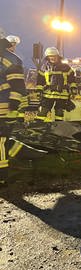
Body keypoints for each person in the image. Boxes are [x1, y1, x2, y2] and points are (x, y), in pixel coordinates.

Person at [0, 27, 27, 187]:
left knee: (1, 141)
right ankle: (22, 154)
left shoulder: (11, 59)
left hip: (4, 108)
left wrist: (15, 106)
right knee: (4, 141)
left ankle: (2, 175)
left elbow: (18, 87)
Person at [35, 47, 77, 122]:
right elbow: (40, 81)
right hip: (48, 94)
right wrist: (39, 90)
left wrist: (73, 88)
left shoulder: (66, 67)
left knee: (59, 113)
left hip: (62, 95)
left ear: (58, 57)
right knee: (42, 112)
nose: (52, 58)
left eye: (54, 56)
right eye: (50, 56)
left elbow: (72, 79)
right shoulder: (44, 67)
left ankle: (58, 130)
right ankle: (38, 129)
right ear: (47, 57)